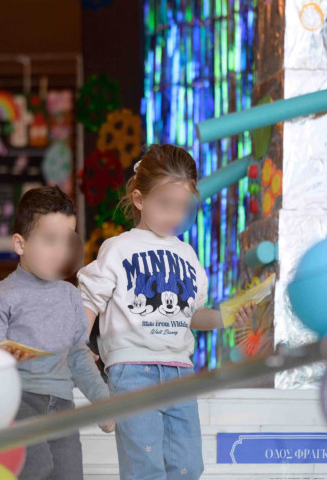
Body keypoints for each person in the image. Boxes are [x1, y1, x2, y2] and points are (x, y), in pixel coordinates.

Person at [78, 144, 255, 480]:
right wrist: (79, 346)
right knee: (146, 469)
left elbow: (193, 314)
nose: (175, 215)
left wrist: (227, 316)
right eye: (165, 204)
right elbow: (90, 299)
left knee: (189, 467)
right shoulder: (118, 248)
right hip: (132, 371)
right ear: (139, 199)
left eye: (183, 206)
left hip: (179, 371)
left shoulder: (187, 253)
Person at [0, 185, 114, 480]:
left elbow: (79, 356)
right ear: (20, 244)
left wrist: (104, 403)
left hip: (63, 404)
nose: (60, 251)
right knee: (36, 465)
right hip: (18, 402)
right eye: (49, 240)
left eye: (67, 240)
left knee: (69, 475)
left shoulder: (71, 296)